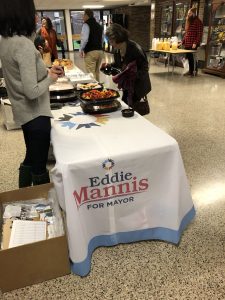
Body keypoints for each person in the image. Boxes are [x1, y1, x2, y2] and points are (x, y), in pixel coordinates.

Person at [0, 0, 64, 187]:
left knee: (30, 157)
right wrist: (51, 76)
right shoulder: (23, 44)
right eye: (33, 13)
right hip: (37, 116)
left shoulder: (5, 40)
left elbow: (21, 77)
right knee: (39, 167)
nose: (35, 17)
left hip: (24, 114)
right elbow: (32, 91)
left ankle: (24, 195)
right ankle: (41, 202)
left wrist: (44, 71)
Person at [104, 23, 151, 109]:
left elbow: (145, 69)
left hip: (138, 86)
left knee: (131, 108)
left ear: (117, 38)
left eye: (111, 40)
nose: (110, 43)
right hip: (127, 85)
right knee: (126, 106)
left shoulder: (135, 49)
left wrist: (132, 76)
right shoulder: (117, 50)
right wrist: (109, 66)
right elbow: (119, 64)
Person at [79, 9, 103, 82]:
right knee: (96, 72)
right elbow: (101, 39)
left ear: (86, 15)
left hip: (91, 52)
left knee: (91, 74)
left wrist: (81, 50)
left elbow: (85, 39)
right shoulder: (99, 25)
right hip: (100, 51)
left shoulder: (86, 24)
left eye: (83, 15)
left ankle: (93, 91)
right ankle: (99, 90)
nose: (83, 17)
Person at [182, 7, 203, 76]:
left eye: (190, 13)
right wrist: (182, 42)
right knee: (188, 58)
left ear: (194, 14)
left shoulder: (198, 22)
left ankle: (194, 71)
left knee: (193, 58)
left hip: (193, 44)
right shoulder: (189, 21)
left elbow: (199, 34)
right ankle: (190, 71)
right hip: (187, 43)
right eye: (188, 13)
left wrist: (195, 42)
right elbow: (187, 33)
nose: (188, 14)